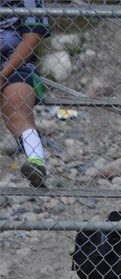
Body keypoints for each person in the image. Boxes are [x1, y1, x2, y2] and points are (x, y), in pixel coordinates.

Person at [0, 0, 50, 187]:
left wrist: (3, 74)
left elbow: (33, 37)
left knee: (16, 103)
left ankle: (36, 161)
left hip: (16, 64)